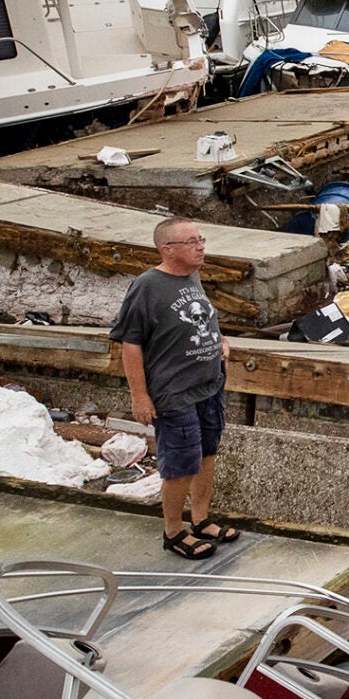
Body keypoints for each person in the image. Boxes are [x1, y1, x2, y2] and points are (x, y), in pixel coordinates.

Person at [114, 215, 235, 560]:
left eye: (201, 240)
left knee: (206, 453)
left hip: (208, 384)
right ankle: (173, 531)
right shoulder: (147, 287)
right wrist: (139, 396)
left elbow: (198, 317)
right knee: (181, 464)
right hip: (174, 392)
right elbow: (130, 344)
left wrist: (219, 339)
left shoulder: (192, 276)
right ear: (168, 250)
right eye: (192, 242)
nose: (200, 247)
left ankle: (200, 519)